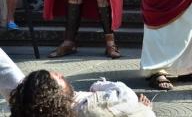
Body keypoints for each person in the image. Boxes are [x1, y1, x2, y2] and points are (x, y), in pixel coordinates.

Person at [1, 48, 155, 116]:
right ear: (55, 95)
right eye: (58, 77)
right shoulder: (89, 107)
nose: (62, 74)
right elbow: (126, 95)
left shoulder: (40, 107)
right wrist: (142, 108)